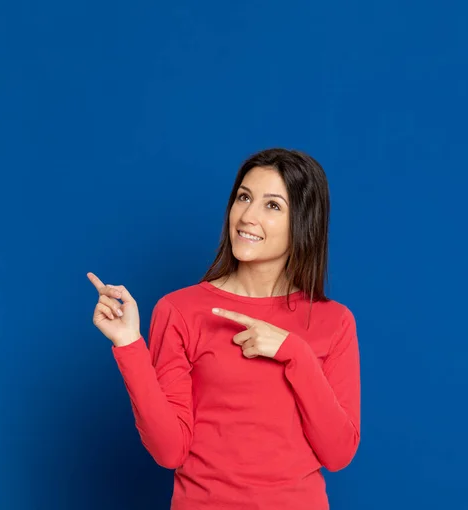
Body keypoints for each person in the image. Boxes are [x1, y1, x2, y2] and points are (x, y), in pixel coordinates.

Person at [87, 148, 361, 510]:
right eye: (243, 197)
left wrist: (295, 353)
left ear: (304, 222)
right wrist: (129, 345)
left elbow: (338, 454)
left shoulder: (335, 321)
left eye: (273, 205)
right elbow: (170, 451)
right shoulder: (180, 310)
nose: (247, 216)